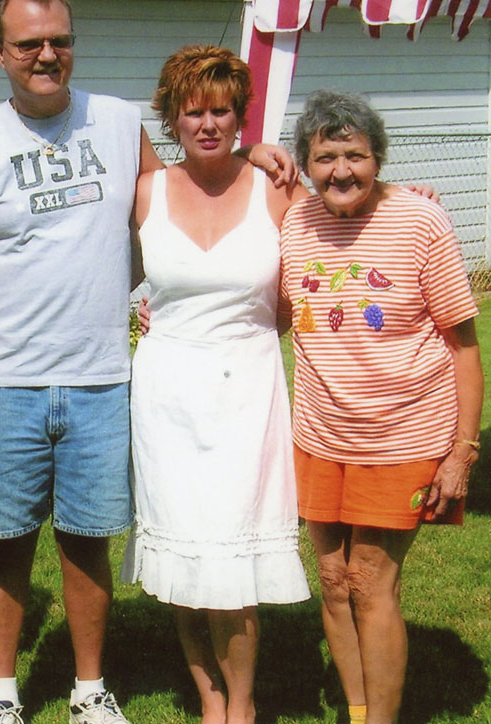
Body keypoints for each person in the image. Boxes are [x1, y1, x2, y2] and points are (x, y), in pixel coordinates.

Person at [0, 3, 294, 722]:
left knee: (88, 540)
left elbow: (184, 191)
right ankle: (2, 695)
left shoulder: (120, 125)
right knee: (5, 543)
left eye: (60, 41)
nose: (46, 55)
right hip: (8, 380)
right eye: (29, 43)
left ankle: (89, 690)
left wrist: (254, 155)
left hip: (104, 377)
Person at [119, 45, 310, 724]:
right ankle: (207, 694)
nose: (208, 123)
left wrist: (416, 198)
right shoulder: (144, 190)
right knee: (183, 556)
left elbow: (340, 236)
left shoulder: (278, 188)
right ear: (173, 115)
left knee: (234, 565)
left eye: (221, 110)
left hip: (248, 389)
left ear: (240, 115)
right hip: (167, 391)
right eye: (193, 110)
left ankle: (244, 704)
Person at [279, 90, 483, 724]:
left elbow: (465, 346)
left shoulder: (421, 222)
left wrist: (462, 451)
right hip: (319, 435)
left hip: (403, 438)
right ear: (307, 165)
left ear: (378, 159)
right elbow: (280, 311)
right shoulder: (295, 222)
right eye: (325, 157)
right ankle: (359, 712)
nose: (341, 170)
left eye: (355, 156)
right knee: (335, 583)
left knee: (371, 585)